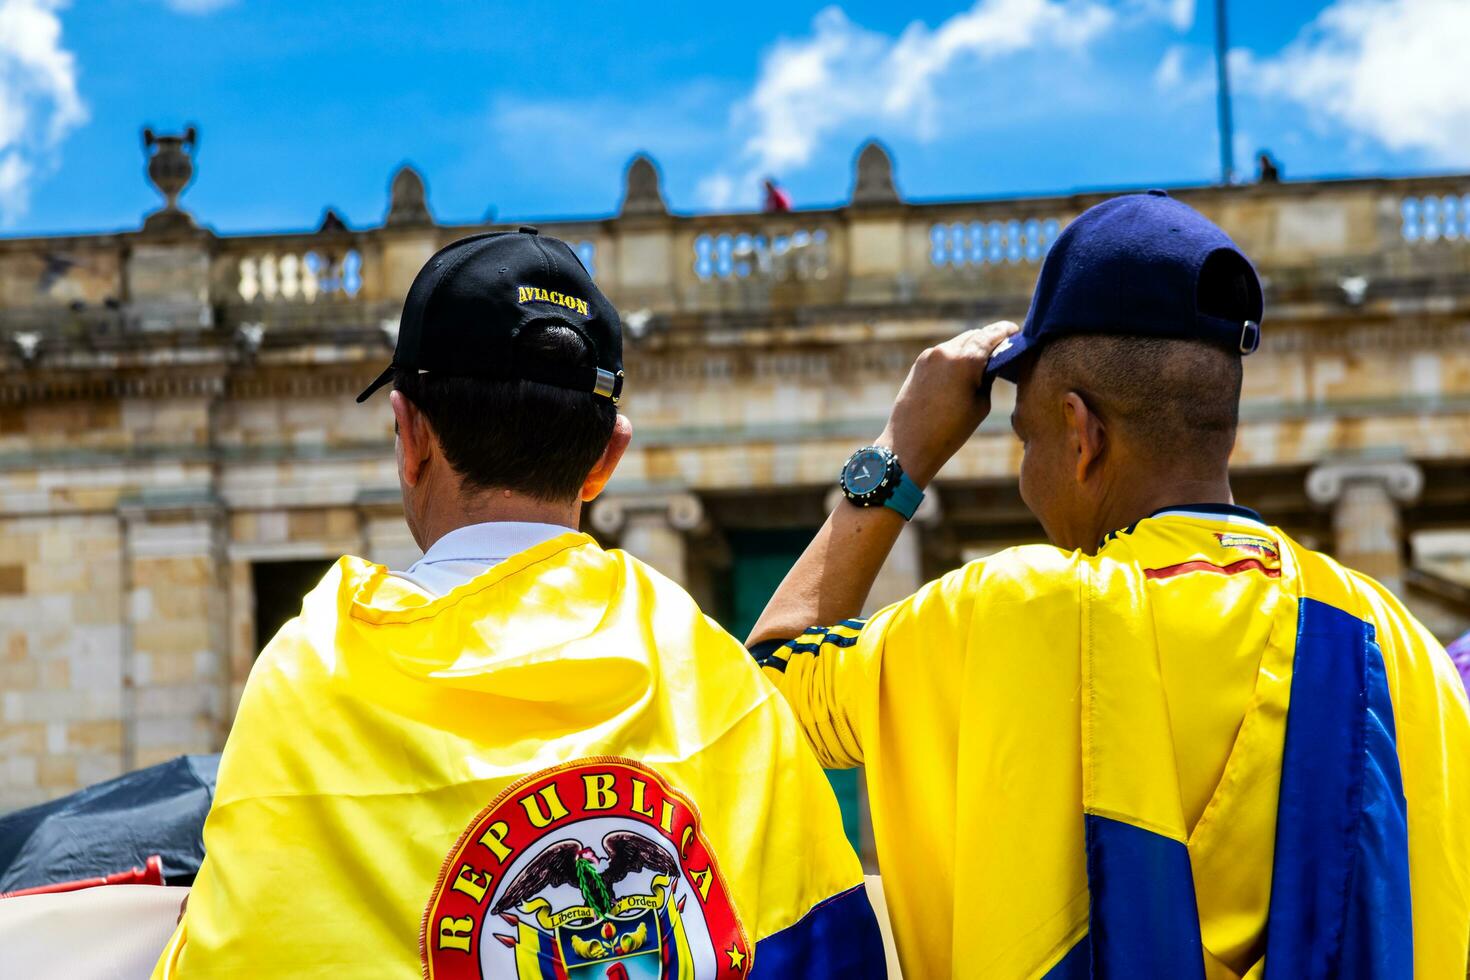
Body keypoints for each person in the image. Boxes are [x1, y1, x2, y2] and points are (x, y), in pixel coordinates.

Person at [747, 192, 1470, 978]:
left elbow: (765, 699)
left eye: (1027, 440)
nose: (1027, 476)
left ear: (1082, 434)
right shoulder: (1406, 652)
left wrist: (899, 453)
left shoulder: (1019, 610)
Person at [155, 229, 884, 978]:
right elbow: (824, 946)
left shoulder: (311, 672)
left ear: (409, 436)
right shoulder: (713, 673)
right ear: (608, 456)